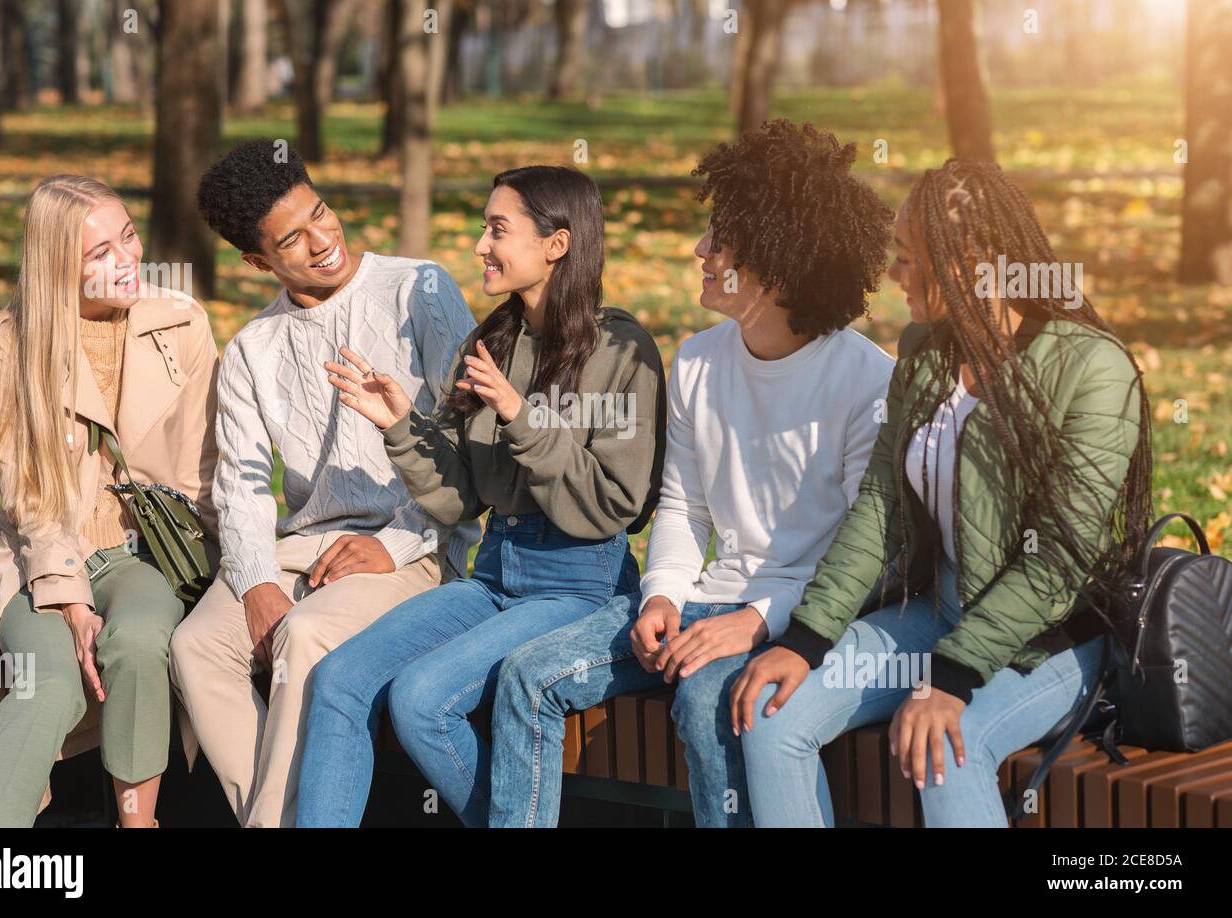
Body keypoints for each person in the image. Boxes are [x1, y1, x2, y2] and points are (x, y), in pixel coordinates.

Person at [488, 121, 898, 827]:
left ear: (778, 257)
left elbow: (868, 554)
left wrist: (755, 620)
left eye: (721, 240)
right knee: (528, 676)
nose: (701, 251)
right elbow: (682, 508)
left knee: (710, 698)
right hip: (703, 606)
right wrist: (661, 598)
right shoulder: (701, 360)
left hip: (803, 619)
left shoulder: (867, 381)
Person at [731, 159, 1152, 827]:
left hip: (1050, 642)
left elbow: (1057, 564)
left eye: (905, 257)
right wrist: (806, 639)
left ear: (971, 259)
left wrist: (951, 682)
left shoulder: (1092, 370)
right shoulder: (925, 351)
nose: (892, 276)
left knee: (947, 748)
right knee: (770, 713)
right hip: (941, 612)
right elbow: (880, 510)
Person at [295, 165, 665, 827]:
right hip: (494, 576)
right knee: (339, 681)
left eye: (499, 229)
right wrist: (401, 425)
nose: (480, 246)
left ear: (557, 243)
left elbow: (618, 505)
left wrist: (522, 417)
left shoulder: (620, 349)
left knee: (422, 699)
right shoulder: (492, 343)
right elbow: (458, 500)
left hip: (581, 588)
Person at [170, 140, 480, 827]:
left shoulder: (418, 289)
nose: (322, 241)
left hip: (418, 548)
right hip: (304, 547)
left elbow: (469, 446)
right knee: (194, 647)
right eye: (292, 239)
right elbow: (243, 483)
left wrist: (398, 546)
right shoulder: (254, 347)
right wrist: (254, 583)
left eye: (321, 214)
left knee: (303, 635)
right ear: (257, 261)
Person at [0, 175, 220, 827]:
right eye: (100, 254)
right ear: (56, 264)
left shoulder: (180, 320)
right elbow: (26, 492)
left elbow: (204, 467)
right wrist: (70, 600)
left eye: (128, 237)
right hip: (39, 559)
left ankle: (139, 825)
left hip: (146, 557)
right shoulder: (9, 337)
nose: (128, 260)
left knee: (137, 638)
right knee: (44, 682)